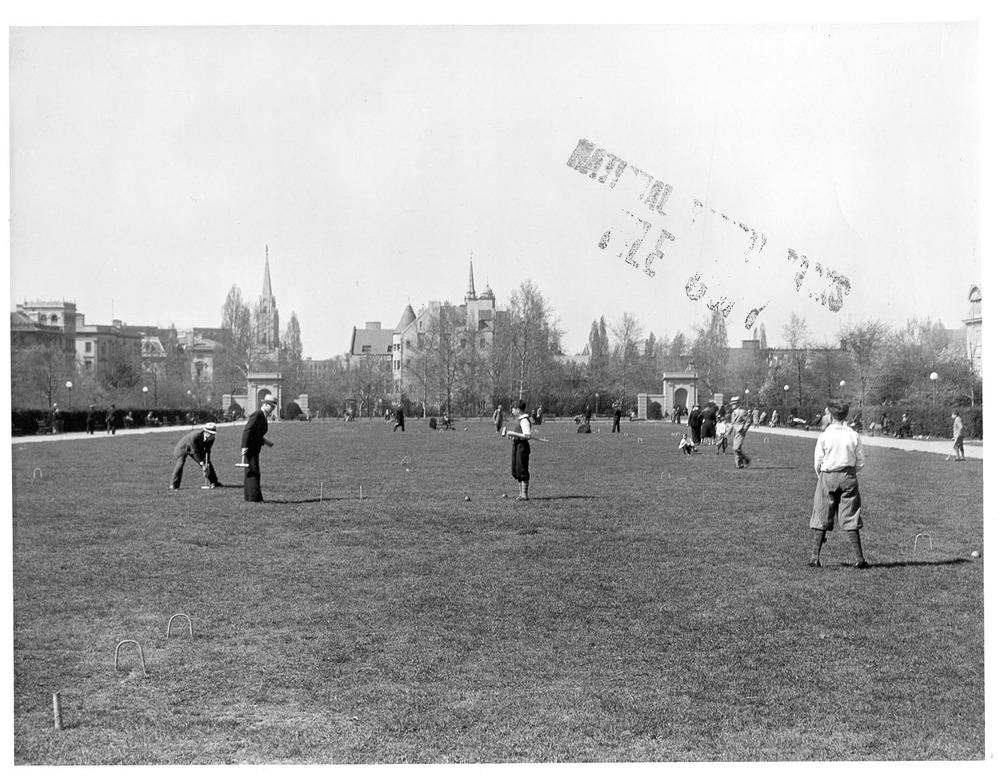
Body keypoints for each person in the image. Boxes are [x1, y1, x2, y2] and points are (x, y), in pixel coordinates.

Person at [809, 399, 869, 569]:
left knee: (821, 513)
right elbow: (861, 461)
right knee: (850, 515)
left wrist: (821, 475)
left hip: (828, 475)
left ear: (830, 414)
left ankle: (815, 557)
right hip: (848, 475)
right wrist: (850, 472)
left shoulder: (825, 435)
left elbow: (818, 461)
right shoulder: (853, 434)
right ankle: (860, 559)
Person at [240, 394, 277, 502]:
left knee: (252, 471)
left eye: (274, 407)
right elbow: (247, 430)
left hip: (255, 448)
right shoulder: (257, 414)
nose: (273, 409)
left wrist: (265, 442)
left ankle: (251, 497)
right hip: (250, 448)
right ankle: (253, 498)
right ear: (265, 404)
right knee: (253, 472)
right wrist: (244, 447)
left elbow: (257, 434)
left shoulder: (263, 415)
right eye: (271, 407)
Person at [170, 422, 220, 490]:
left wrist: (207, 465)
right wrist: (202, 465)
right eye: (211, 434)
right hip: (183, 447)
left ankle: (214, 482)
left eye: (214, 434)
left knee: (208, 465)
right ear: (206, 432)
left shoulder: (211, 439)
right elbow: (195, 452)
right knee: (180, 463)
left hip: (196, 449)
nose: (213, 436)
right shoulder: (195, 436)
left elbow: (207, 452)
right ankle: (173, 485)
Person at [504, 401, 533, 500]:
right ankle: (521, 494)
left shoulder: (524, 420)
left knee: (522, 469)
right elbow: (519, 435)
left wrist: (513, 433)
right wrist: (512, 436)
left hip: (522, 447)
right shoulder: (520, 420)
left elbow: (527, 436)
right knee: (516, 470)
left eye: (513, 408)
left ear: (518, 409)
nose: (511, 411)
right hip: (517, 445)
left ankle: (524, 495)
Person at [729, 398, 752, 468]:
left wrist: (744, 429)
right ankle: (739, 464)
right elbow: (733, 423)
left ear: (738, 404)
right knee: (736, 449)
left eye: (734, 403)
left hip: (740, 431)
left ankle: (746, 459)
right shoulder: (733, 413)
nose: (732, 405)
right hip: (734, 431)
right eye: (732, 403)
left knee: (736, 448)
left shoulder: (742, 412)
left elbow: (749, 420)